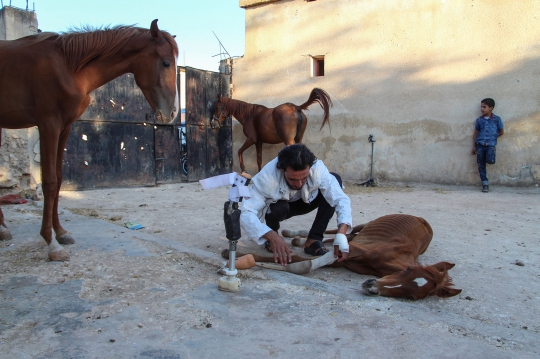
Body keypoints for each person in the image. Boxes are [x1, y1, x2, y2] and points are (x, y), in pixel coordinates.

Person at [240, 144, 352, 266]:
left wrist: (341, 234)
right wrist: (271, 235)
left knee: (335, 179)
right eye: (293, 179)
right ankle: (273, 236)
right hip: (280, 208)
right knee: (277, 209)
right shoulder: (267, 177)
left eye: (304, 178)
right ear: (282, 170)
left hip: (307, 201)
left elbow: (340, 199)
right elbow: (246, 212)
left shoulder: (317, 168)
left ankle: (314, 239)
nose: (299, 184)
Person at [471, 98, 504, 193]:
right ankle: (485, 183)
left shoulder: (496, 119)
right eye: (481, 107)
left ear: (491, 108)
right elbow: (476, 132)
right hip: (480, 145)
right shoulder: (479, 120)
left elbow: (501, 131)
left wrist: (493, 138)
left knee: (490, 161)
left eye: (484, 107)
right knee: (481, 165)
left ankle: (489, 156)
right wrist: (474, 146)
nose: (482, 109)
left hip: (490, 145)